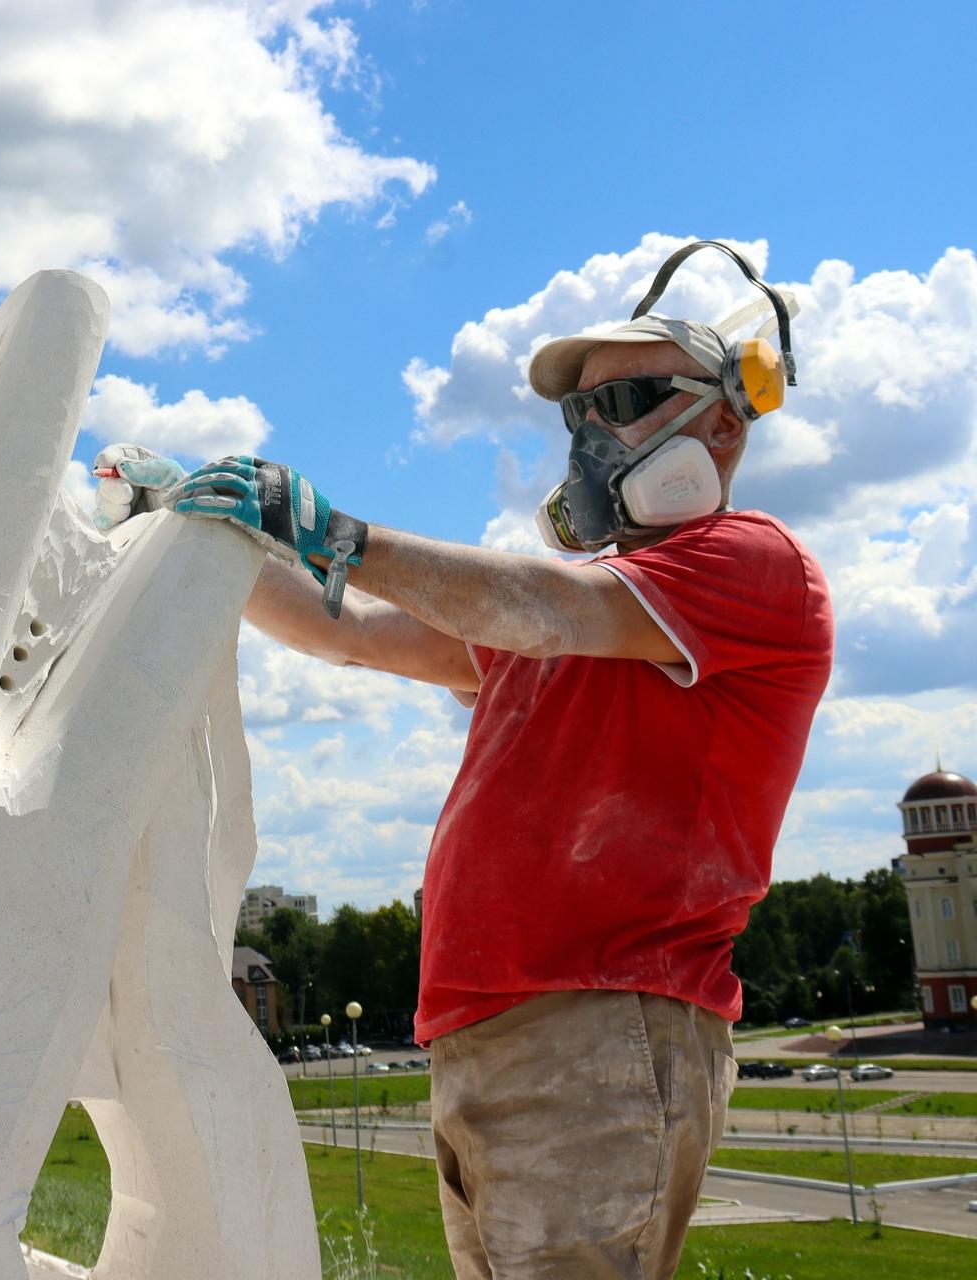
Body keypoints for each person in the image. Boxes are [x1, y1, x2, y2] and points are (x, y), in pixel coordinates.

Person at [105, 242, 833, 1277]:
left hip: (603, 1024)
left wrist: (337, 530)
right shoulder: (572, 623)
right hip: (487, 1032)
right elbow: (350, 628)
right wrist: (196, 529)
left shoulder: (750, 565)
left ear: (721, 420)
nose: (589, 435)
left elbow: (539, 603)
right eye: (575, 414)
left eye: (620, 399)